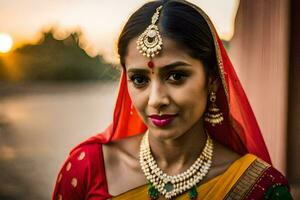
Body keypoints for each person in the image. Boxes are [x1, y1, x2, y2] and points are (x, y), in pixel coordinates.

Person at [52, 0, 293, 199]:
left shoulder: (259, 188)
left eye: (176, 76)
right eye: (139, 79)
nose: (156, 100)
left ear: (212, 80)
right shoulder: (87, 167)